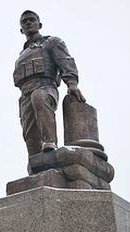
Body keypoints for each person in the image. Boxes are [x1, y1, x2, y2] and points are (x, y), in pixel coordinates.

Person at [14, 10, 85, 157]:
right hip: (25, 95)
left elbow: (65, 61)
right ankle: (34, 161)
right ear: (21, 30)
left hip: (45, 87)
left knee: (39, 97)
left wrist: (72, 83)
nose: (28, 22)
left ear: (39, 24)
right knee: (29, 131)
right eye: (24, 21)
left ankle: (50, 142)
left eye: (31, 20)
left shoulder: (51, 42)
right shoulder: (21, 56)